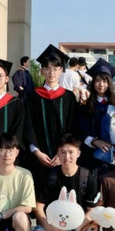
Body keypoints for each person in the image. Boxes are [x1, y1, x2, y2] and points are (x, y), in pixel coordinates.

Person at [31, 134, 100, 231]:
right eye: (62, 152)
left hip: (79, 226)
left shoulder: (87, 177)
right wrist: (48, 227)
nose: (67, 157)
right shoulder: (49, 175)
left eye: (71, 152)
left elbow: (91, 211)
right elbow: (38, 207)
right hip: (53, 225)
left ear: (78, 153)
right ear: (57, 153)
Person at [24, 44, 77, 187]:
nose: (51, 72)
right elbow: (27, 125)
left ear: (61, 70)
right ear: (41, 71)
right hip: (38, 158)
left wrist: (62, 154)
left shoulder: (68, 97)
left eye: (55, 68)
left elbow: (73, 127)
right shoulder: (32, 96)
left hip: (64, 159)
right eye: (47, 68)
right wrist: (36, 152)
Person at [77, 58, 115, 174]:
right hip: (91, 156)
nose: (101, 84)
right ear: (93, 83)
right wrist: (94, 141)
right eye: (98, 80)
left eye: (105, 81)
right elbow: (79, 130)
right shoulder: (85, 105)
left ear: (110, 83)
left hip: (114, 156)